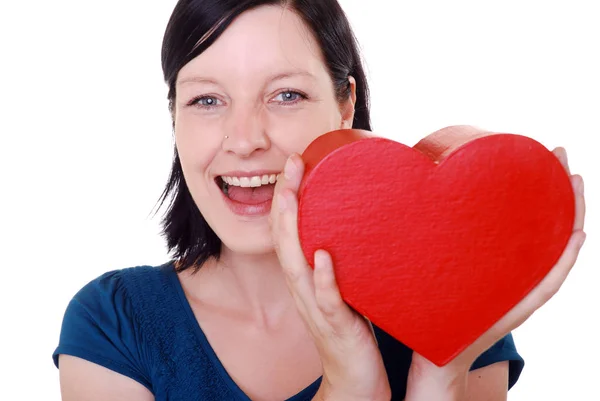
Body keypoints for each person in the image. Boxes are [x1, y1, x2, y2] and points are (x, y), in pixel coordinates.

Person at [52, 0, 586, 400]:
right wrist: (350, 379)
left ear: (345, 104)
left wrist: (440, 375)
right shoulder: (114, 325)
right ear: (174, 117)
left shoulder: (457, 314)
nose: (245, 139)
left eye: (286, 95)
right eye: (206, 99)